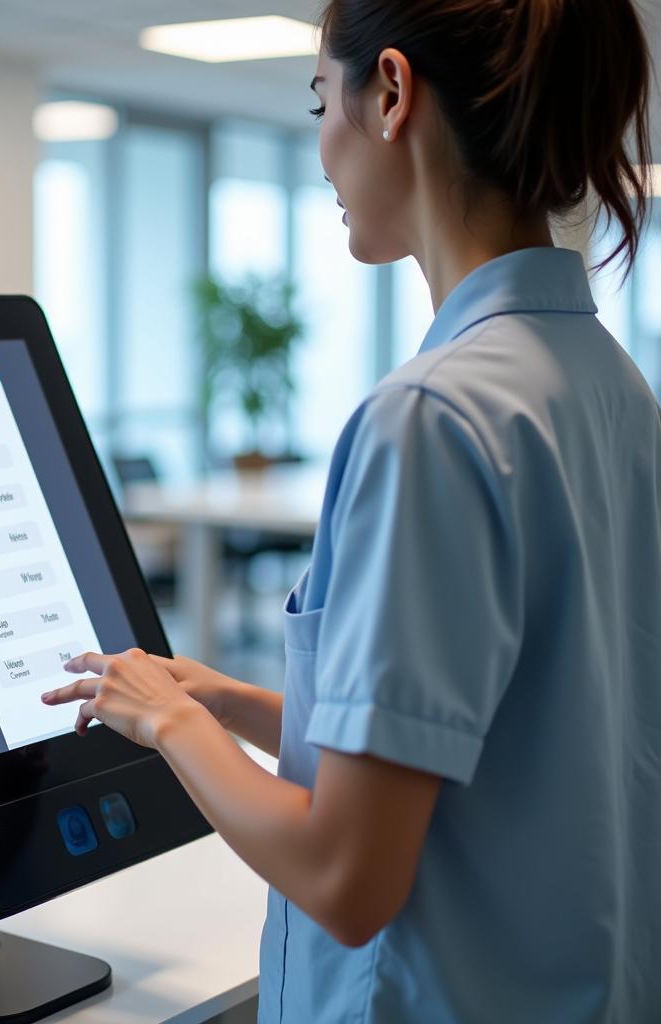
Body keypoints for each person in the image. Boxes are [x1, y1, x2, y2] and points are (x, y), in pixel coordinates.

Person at [42, 0, 661, 1019]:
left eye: (319, 98)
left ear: (389, 91)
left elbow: (345, 877)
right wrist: (229, 701)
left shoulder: (427, 418)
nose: (321, 148)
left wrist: (168, 724)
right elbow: (487, 740)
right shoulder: (611, 389)